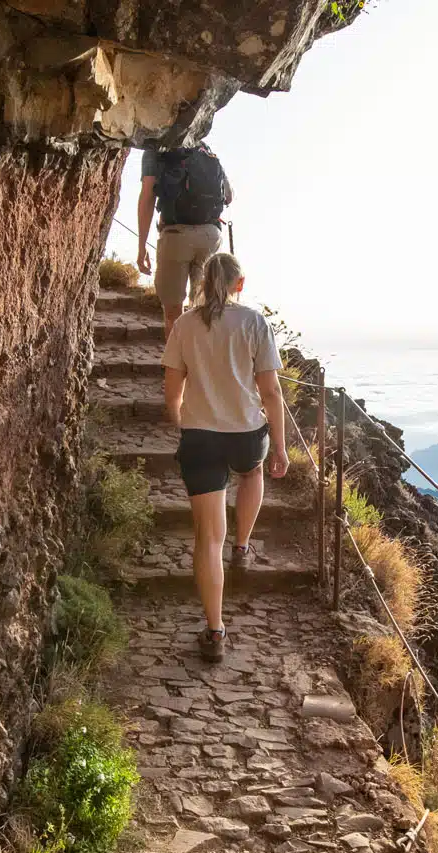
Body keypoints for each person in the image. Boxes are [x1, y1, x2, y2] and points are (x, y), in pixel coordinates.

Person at [160, 252, 289, 663]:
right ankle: (244, 546)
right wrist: (281, 447)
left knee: (206, 539)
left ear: (201, 282)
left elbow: (171, 390)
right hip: (246, 433)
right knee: (251, 475)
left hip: (200, 437)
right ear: (240, 284)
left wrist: (183, 419)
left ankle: (215, 631)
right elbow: (271, 392)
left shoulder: (183, 324)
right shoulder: (254, 322)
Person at [137, 143, 233, 336]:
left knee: (173, 313)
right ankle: (200, 364)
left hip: (176, 236)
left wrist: (142, 246)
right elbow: (229, 196)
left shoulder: (156, 147)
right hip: (210, 236)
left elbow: (148, 196)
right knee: (202, 308)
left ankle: (177, 365)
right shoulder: (204, 148)